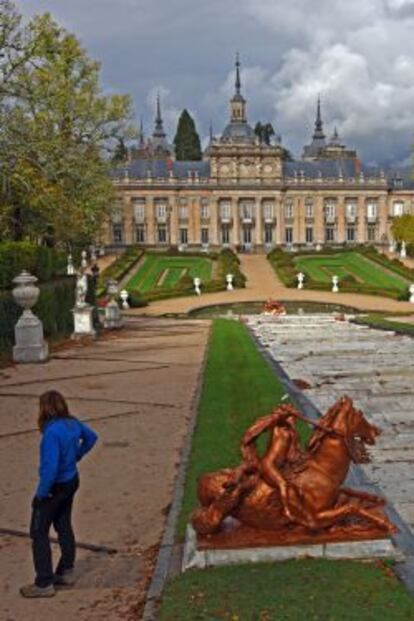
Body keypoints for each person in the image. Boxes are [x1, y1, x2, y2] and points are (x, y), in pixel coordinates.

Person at [20, 390, 98, 598]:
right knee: (63, 524)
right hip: (71, 481)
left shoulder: (51, 433)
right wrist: (77, 455)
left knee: (39, 532)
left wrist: (40, 494)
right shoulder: (72, 424)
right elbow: (91, 437)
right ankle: (66, 570)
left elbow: (50, 469)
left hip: (54, 486)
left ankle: (44, 582)